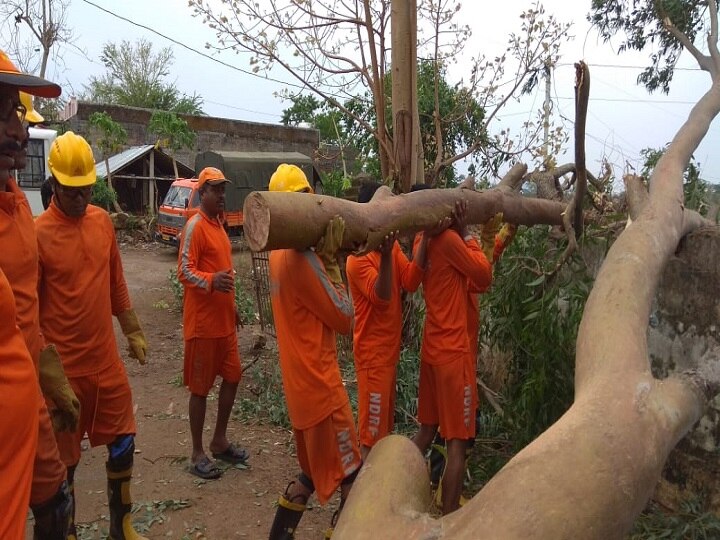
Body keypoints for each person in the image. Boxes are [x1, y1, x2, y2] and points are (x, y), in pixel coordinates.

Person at [35, 131, 149, 540]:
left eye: (86, 191)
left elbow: (116, 282)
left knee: (124, 441)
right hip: (64, 375)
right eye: (72, 192)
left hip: (105, 365)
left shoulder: (102, 222)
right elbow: (28, 311)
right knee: (63, 464)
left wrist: (131, 329)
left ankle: (122, 525)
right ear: (54, 186)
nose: (81, 200)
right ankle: (68, 531)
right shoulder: (38, 234)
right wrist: (49, 377)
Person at [0, 50, 76, 539]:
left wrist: (48, 374)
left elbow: (26, 309)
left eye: (20, 114)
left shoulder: (17, 207)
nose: (21, 130)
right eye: (6, 112)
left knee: (56, 501)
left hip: (29, 402)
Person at [267, 164, 361, 540]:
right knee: (352, 479)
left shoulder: (276, 253)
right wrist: (334, 266)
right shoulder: (302, 259)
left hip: (299, 393)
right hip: (323, 393)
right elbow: (345, 318)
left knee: (308, 475)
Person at [346, 182, 445, 460]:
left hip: (388, 356)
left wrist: (425, 237)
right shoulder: (358, 260)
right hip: (373, 359)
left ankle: (374, 494)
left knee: (383, 434)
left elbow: (411, 281)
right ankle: (359, 501)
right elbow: (382, 297)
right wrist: (388, 255)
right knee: (371, 438)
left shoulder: (392, 251)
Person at [411, 197, 493, 515]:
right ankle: (448, 523)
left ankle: (386, 483)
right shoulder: (448, 240)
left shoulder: (423, 239)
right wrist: (467, 234)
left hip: (431, 351)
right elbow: (484, 275)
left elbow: (470, 281)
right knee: (457, 443)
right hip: (454, 355)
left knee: (427, 430)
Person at [178, 166, 248, 480]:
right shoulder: (195, 226)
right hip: (203, 327)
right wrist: (210, 281)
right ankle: (196, 453)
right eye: (216, 189)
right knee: (200, 389)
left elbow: (225, 273)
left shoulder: (220, 225)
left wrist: (232, 309)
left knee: (233, 376)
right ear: (202, 192)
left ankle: (218, 441)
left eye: (223, 189)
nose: (221, 195)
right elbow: (184, 271)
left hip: (224, 325)